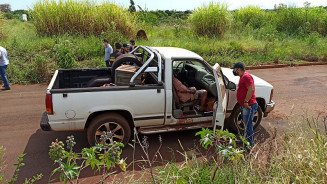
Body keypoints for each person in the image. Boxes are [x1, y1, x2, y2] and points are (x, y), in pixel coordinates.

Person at [231, 62, 258, 148]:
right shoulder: (243, 76)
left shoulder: (246, 77)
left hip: (249, 105)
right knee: (245, 124)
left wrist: (246, 101)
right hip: (244, 105)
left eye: (234, 69)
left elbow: (251, 89)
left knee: (248, 125)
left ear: (238, 69)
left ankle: (250, 144)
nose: (233, 71)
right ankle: (245, 140)